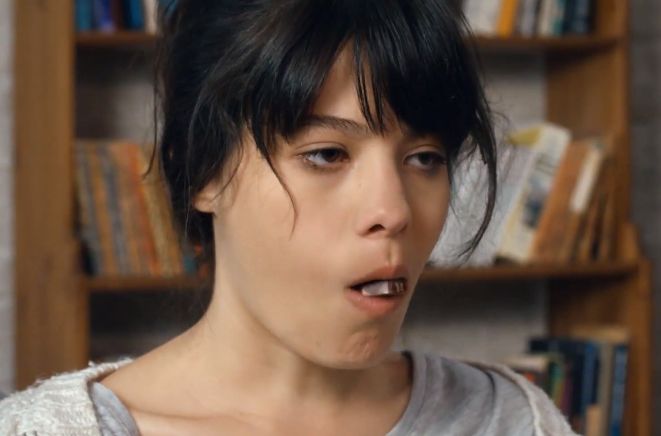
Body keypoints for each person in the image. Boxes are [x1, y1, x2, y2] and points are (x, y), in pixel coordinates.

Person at [0, 1, 577, 434]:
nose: (394, 212)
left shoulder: (513, 420)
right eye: (327, 155)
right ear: (203, 171)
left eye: (425, 158)